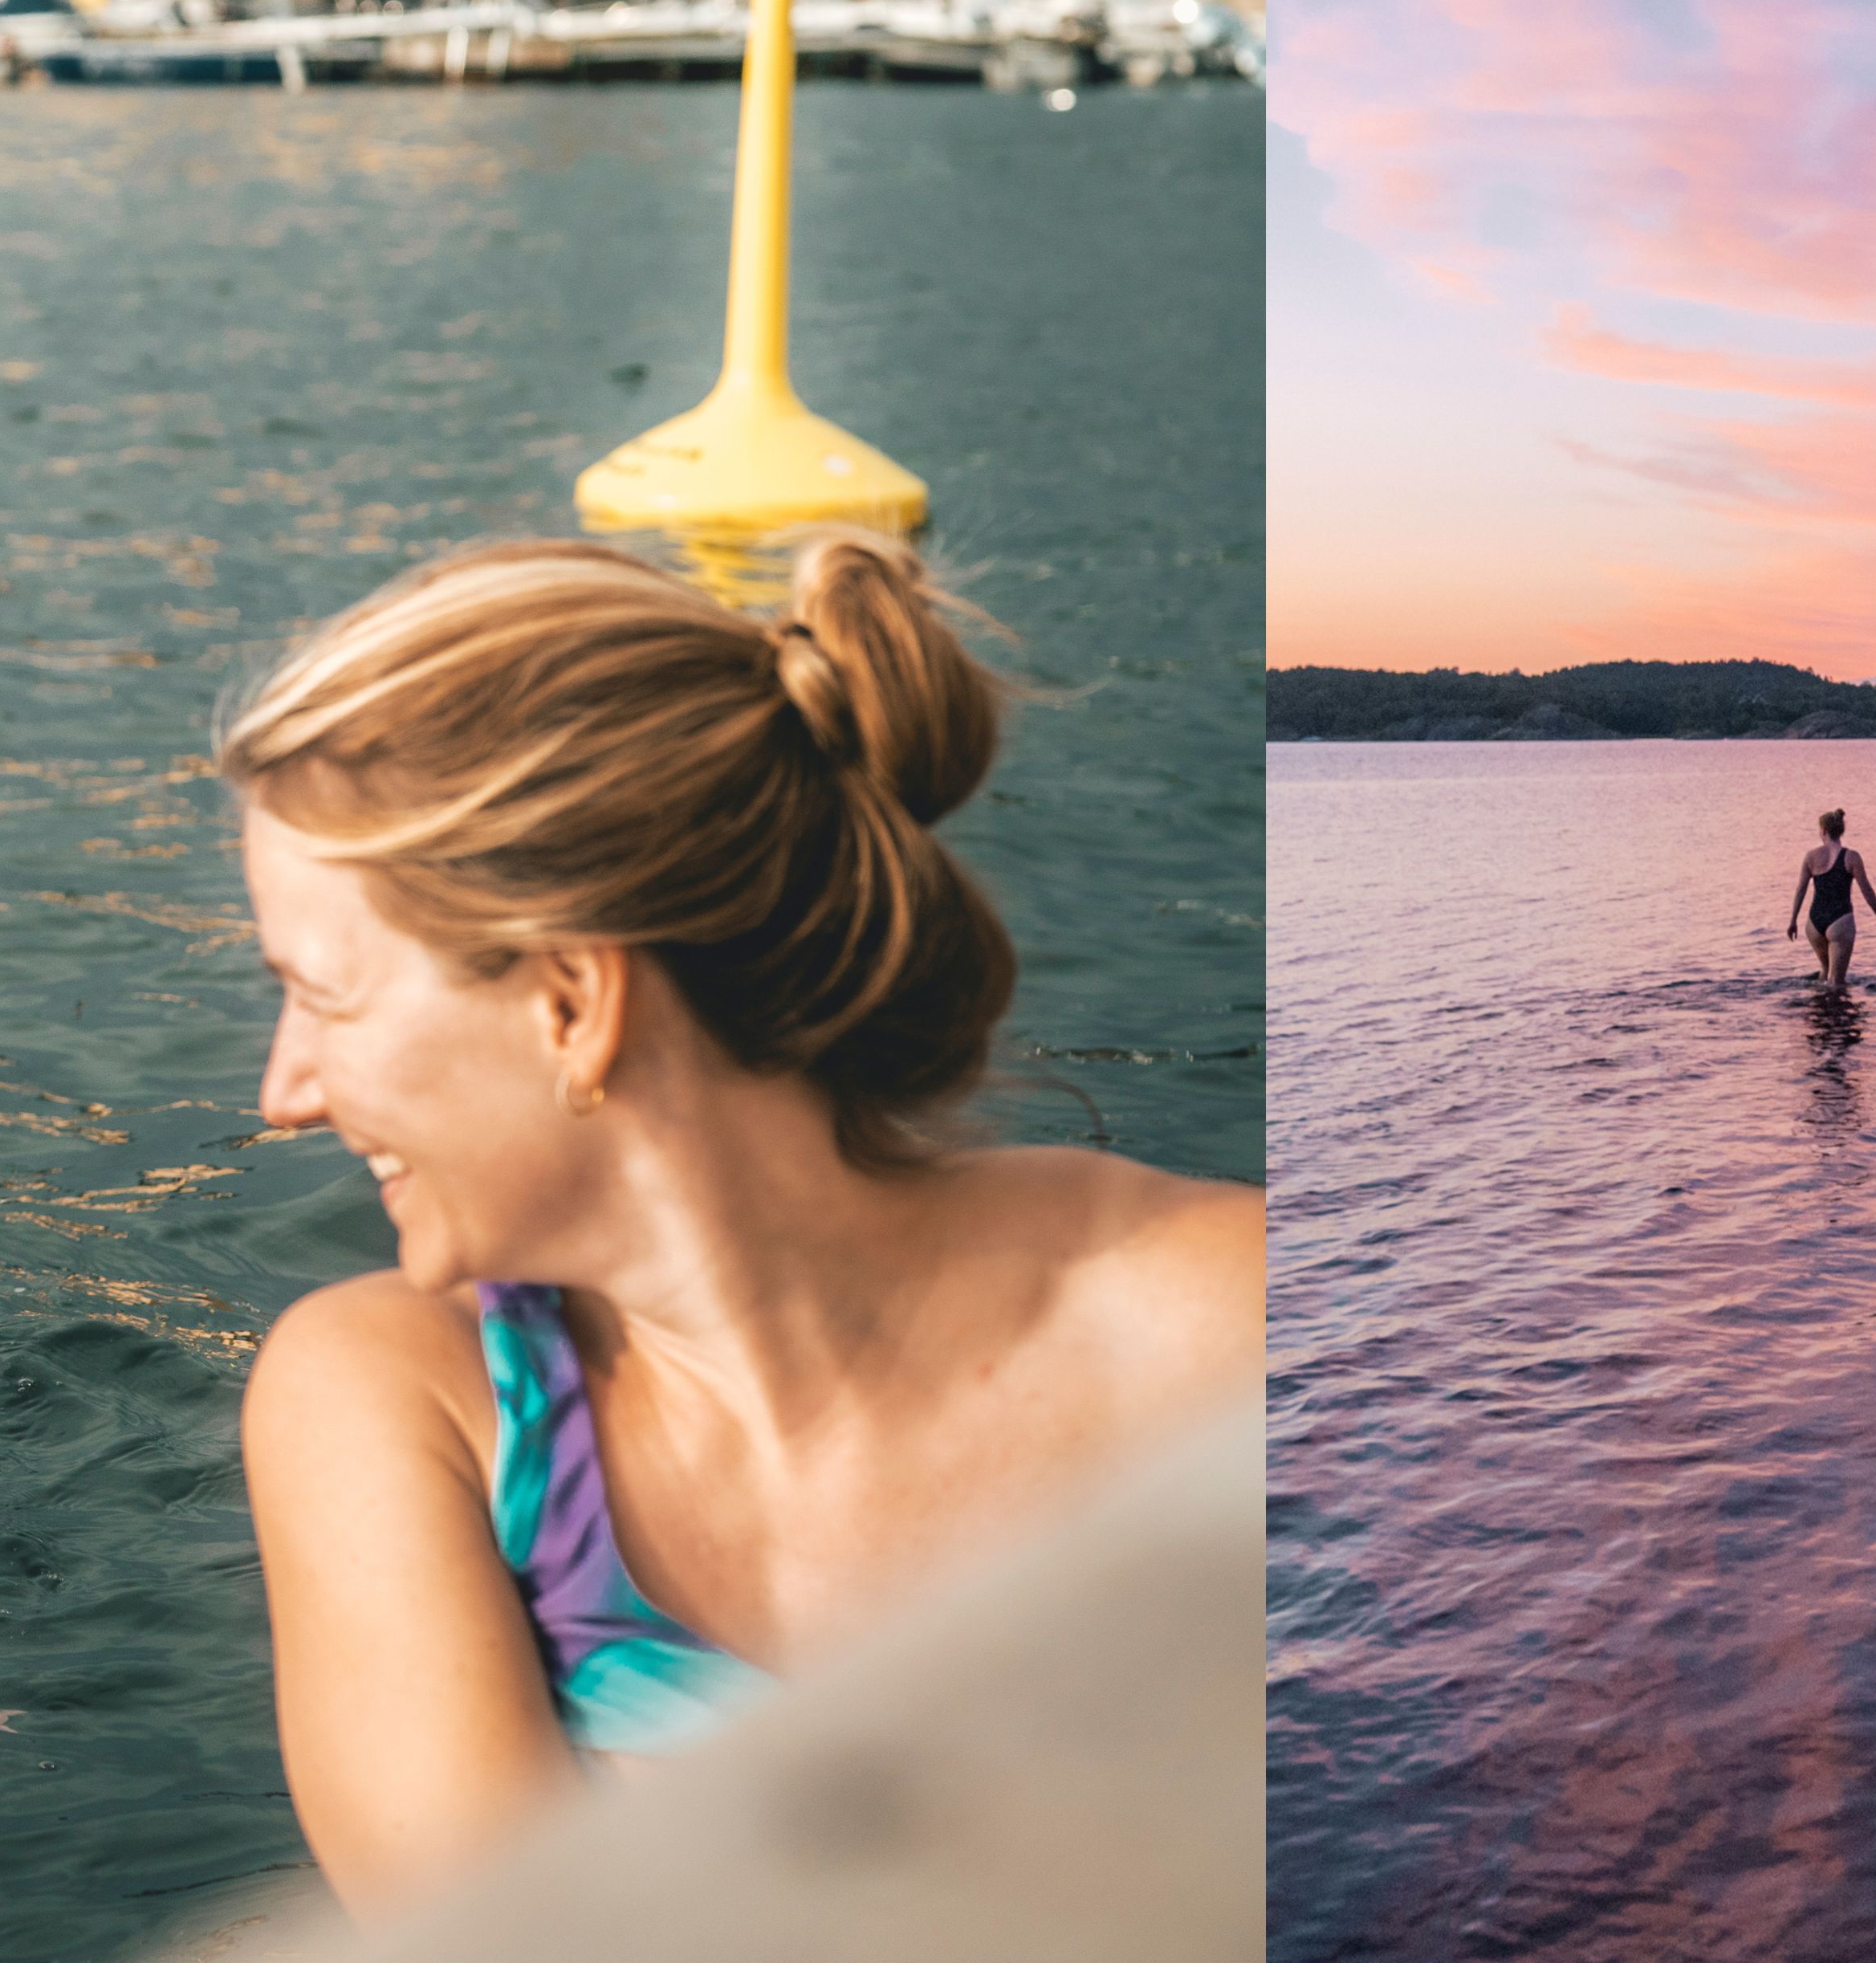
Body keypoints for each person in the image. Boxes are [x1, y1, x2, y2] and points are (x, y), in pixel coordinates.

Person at [218, 533, 1258, 1917]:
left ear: (572, 1001)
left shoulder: (1222, 1322)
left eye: (325, 997)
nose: (283, 1091)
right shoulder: (400, 1408)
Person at [1786, 806, 1876, 989]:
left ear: (1823, 831)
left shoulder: (1811, 856)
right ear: (1840, 831)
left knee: (1825, 973)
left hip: (1814, 923)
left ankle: (1820, 1014)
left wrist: (1793, 921)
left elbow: (1800, 889)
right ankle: (1838, 1015)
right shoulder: (1852, 857)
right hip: (1840, 921)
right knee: (1837, 982)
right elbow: (1867, 890)